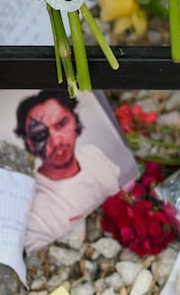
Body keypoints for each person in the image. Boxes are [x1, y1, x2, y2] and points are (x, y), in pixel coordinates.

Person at [15, 89, 125, 250]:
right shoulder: (34, 208)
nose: (56, 140)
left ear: (75, 119)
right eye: (40, 135)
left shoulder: (93, 155)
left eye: (61, 124)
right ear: (29, 143)